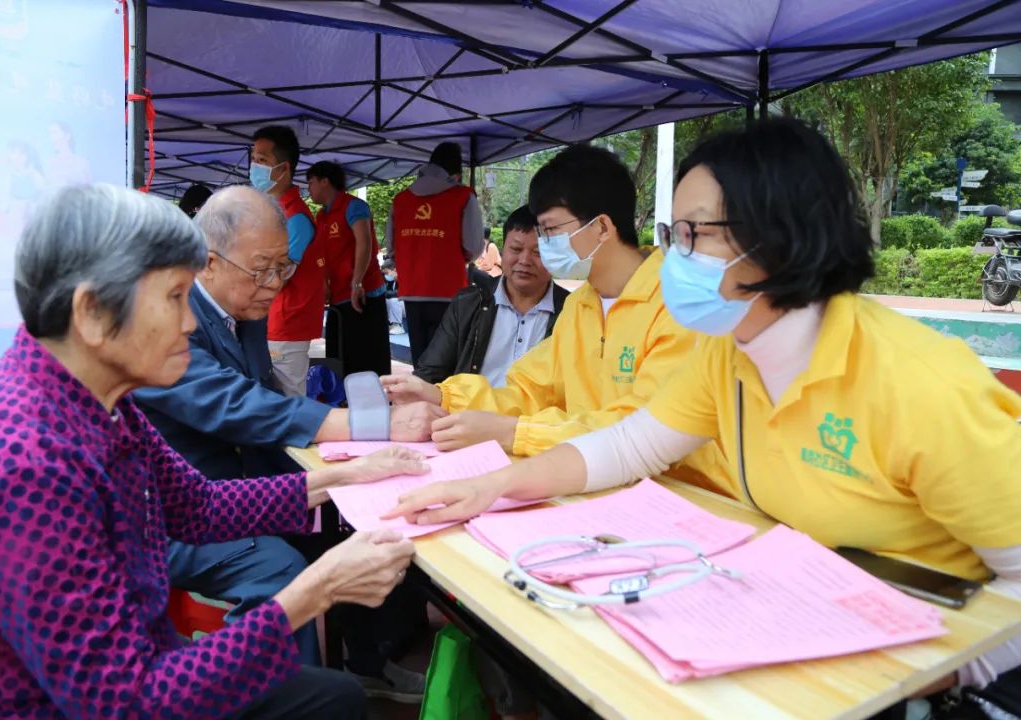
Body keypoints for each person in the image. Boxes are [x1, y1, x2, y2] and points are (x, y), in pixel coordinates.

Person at [386, 118, 1021, 698]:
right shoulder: (731, 353)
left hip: (915, 660)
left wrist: (946, 675)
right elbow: (629, 445)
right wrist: (492, 485)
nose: (674, 257)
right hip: (803, 616)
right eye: (673, 234)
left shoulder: (920, 383)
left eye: (693, 236)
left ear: (777, 236)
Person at [0, 183, 420, 719]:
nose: (190, 322)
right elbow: (127, 704)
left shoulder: (99, 401)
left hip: (144, 667)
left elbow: (198, 506)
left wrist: (344, 478)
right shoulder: (25, 464)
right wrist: (316, 590)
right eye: (172, 299)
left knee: (333, 697)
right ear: (94, 313)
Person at [133, 185, 437, 701]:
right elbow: (235, 405)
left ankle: (365, 662)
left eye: (284, 268)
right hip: (173, 526)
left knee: (365, 523)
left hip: (217, 499)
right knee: (282, 569)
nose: (274, 285)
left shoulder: (239, 309)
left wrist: (340, 475)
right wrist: (361, 428)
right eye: (262, 270)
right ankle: (287, 696)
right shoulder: (32, 449)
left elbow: (259, 406)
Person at [381, 145, 726, 494]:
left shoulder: (676, 306)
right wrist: (443, 397)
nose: (543, 247)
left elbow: (640, 429)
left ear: (602, 227)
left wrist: (515, 433)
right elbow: (529, 389)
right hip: (595, 484)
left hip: (684, 494)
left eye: (549, 231)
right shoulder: (581, 306)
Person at [414, 205, 568, 387]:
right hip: (467, 411)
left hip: (537, 415)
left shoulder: (571, 311)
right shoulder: (468, 303)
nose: (525, 261)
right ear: (502, 252)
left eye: (538, 252)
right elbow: (429, 373)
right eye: (516, 249)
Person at [386, 142, 485, 364]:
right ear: (456, 174)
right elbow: (474, 245)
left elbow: (391, 246)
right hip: (450, 292)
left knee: (420, 361)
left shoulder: (401, 200)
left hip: (412, 291)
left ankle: (419, 395)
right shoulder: (463, 196)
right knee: (448, 362)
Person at [252, 126, 325, 397]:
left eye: (262, 160)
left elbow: (275, 277)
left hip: (285, 326)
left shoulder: (295, 219)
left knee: (288, 401)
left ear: (283, 169)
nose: (254, 167)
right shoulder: (275, 213)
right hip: (270, 323)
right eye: (253, 159)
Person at [306, 161, 392, 377]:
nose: (309, 189)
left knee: (367, 358)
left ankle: (376, 402)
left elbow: (364, 243)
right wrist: (324, 283)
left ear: (325, 181)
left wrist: (357, 282)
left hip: (364, 294)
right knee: (339, 355)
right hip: (339, 296)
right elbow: (325, 254)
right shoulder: (321, 216)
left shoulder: (353, 206)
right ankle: (344, 402)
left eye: (311, 182)